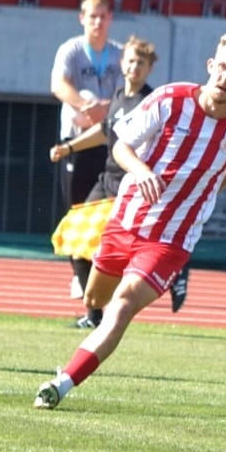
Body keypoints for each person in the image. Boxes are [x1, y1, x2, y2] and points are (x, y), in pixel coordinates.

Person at [34, 33, 226, 411]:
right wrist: (141, 172)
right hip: (126, 220)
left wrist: (203, 195)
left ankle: (62, 383)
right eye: (222, 66)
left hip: (171, 240)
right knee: (95, 299)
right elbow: (121, 145)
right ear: (210, 66)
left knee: (122, 305)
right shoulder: (170, 99)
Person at [50, 35, 159, 329]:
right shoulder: (119, 97)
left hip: (128, 187)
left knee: (112, 250)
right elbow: (103, 131)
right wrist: (69, 147)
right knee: (76, 238)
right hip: (106, 180)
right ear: (122, 64)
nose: (134, 66)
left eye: (141, 62)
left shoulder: (150, 103)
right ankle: (95, 315)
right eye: (130, 60)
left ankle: (106, 312)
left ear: (149, 68)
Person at [50, 0, 124, 304]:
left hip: (108, 143)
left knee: (107, 211)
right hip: (76, 140)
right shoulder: (71, 50)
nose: (97, 22)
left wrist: (104, 111)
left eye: (103, 16)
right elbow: (58, 84)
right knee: (76, 208)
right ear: (82, 18)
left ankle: (102, 273)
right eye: (92, 16)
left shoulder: (119, 54)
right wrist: (85, 105)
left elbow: (126, 93)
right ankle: (78, 274)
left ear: (110, 19)